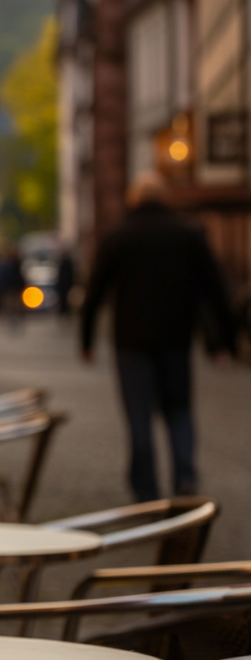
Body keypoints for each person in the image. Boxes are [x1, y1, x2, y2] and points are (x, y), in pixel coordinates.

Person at [80, 172, 237, 502]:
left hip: (131, 341)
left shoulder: (119, 236)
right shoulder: (188, 235)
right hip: (176, 339)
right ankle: (184, 475)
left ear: (133, 200)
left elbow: (95, 291)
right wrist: (225, 343)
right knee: (179, 409)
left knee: (139, 416)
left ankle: (145, 489)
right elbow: (214, 290)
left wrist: (87, 339)